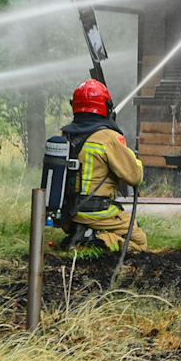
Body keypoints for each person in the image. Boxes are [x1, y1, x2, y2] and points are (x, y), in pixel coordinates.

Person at [59, 78, 146, 252]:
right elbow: (134, 177)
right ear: (105, 107)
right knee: (139, 242)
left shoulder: (65, 135)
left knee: (131, 222)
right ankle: (94, 239)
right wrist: (129, 154)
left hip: (68, 215)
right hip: (96, 212)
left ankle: (83, 231)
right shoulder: (108, 138)